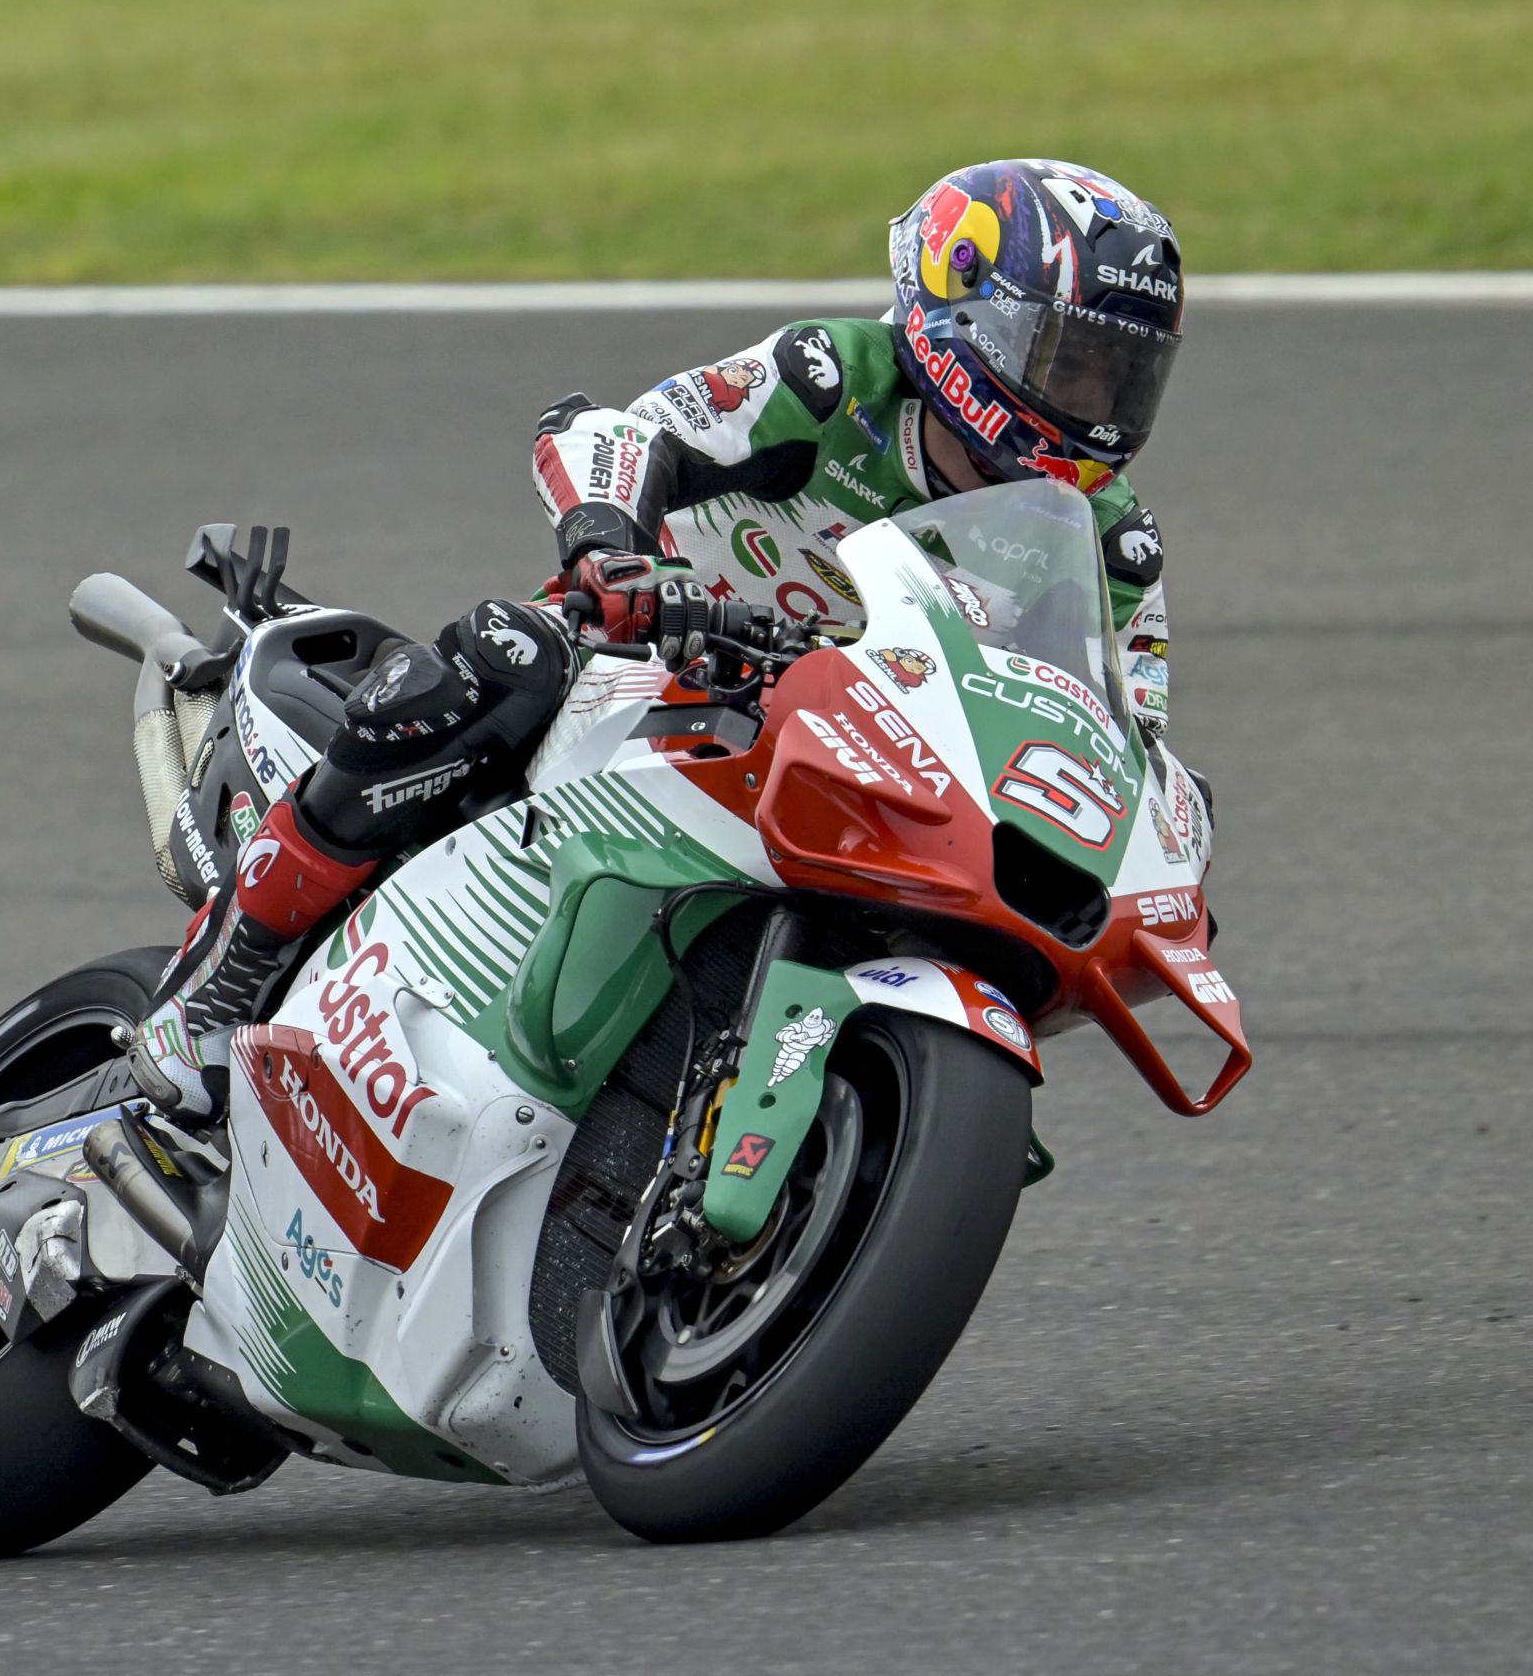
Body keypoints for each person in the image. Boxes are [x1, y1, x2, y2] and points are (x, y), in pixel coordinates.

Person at [132, 156, 1184, 1117]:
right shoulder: (833, 378)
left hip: (860, 764)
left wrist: (1169, 820)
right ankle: (223, 982)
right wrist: (611, 552)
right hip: (652, 666)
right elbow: (618, 433)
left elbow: (1119, 729)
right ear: (961, 307)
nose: (1096, 402)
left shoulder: (1109, 540)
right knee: (503, 656)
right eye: (1073, 360)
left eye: (1122, 374)